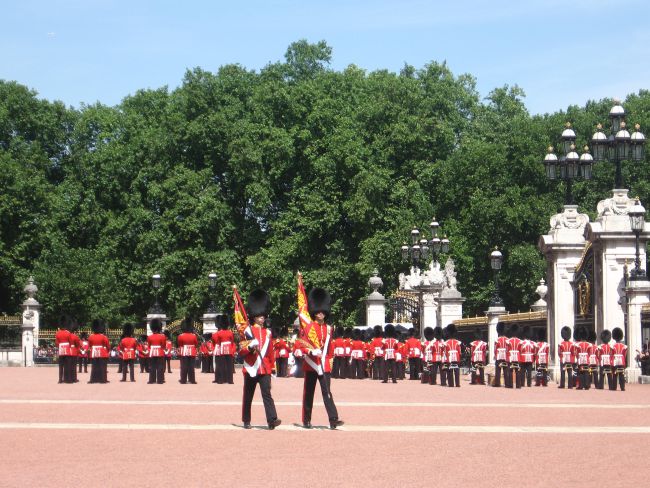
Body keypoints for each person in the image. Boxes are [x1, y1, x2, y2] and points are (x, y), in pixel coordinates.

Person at [296, 286, 343, 429]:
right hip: (311, 364)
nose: (321, 313)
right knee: (309, 393)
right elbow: (300, 345)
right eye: (318, 311)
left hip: (324, 364)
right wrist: (311, 352)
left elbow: (330, 348)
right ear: (315, 312)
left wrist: (329, 361)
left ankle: (333, 419)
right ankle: (306, 419)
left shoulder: (329, 328)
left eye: (323, 311)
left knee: (327, 392)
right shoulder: (309, 327)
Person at [239, 289, 281, 430]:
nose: (262, 317)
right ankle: (246, 420)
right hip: (251, 367)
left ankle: (272, 419)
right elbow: (242, 351)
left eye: (263, 315)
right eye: (260, 315)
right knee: (248, 395)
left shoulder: (267, 332)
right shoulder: (247, 331)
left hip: (264, 367)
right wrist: (250, 347)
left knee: (267, 394)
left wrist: (273, 367)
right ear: (254, 316)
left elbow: (270, 352)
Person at [213, 314, 235, 384]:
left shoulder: (219, 333)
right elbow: (232, 342)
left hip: (222, 349)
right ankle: (230, 380)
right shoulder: (230, 333)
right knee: (229, 366)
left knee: (221, 365)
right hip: (229, 348)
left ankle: (221, 380)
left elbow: (218, 342)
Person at [88, 319, 110, 384]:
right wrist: (107, 351)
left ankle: (93, 379)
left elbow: (90, 345)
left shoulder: (91, 337)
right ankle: (103, 379)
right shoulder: (104, 337)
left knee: (94, 367)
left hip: (94, 352)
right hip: (102, 352)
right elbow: (107, 346)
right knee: (102, 367)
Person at [177, 318, 198, 384]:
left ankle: (183, 380)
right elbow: (196, 344)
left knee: (184, 366)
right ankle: (192, 380)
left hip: (184, 351)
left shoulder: (180, 336)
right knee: (191, 367)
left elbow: (180, 344)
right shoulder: (194, 336)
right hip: (192, 351)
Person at [147, 319, 166, 384]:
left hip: (152, 352)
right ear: (159, 328)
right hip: (160, 352)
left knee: (152, 366)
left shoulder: (149, 337)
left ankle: (152, 380)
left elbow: (149, 346)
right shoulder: (162, 336)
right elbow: (163, 346)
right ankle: (160, 380)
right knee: (160, 366)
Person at [55, 315, 73, 384]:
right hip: (67, 350)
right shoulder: (68, 333)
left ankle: (60, 379)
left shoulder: (58, 333)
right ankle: (68, 379)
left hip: (61, 350)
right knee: (67, 365)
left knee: (61, 366)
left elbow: (56, 343)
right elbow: (71, 343)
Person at [611, 327, 627, 391]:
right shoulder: (624, 346)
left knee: (615, 374)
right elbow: (624, 355)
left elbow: (611, 354)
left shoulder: (612, 346)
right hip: (621, 360)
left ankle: (614, 387)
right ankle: (622, 387)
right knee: (621, 374)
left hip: (615, 360)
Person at [493, 323, 508, 387]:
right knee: (506, 370)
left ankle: (497, 383)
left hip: (499, 355)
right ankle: (507, 383)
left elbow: (495, 349)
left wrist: (495, 355)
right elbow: (508, 349)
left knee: (498, 370)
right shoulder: (508, 339)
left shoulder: (497, 340)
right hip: (505, 355)